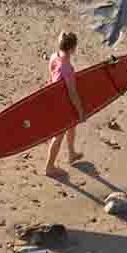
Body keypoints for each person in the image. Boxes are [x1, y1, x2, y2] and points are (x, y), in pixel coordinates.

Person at [43, 31, 88, 179]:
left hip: (57, 99)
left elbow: (51, 77)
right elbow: (73, 93)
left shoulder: (54, 56)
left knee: (72, 126)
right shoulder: (67, 67)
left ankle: (72, 154)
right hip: (62, 104)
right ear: (72, 48)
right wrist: (81, 112)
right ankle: (49, 167)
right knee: (59, 135)